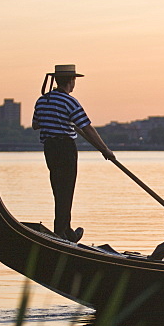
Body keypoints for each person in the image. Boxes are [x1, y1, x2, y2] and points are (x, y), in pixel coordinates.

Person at [32, 64, 115, 242]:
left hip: (50, 149)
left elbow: (35, 124)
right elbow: (88, 128)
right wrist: (105, 150)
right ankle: (62, 232)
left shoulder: (42, 101)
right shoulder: (70, 101)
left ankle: (65, 230)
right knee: (66, 189)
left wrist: (56, 117)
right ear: (71, 81)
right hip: (65, 148)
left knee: (58, 188)